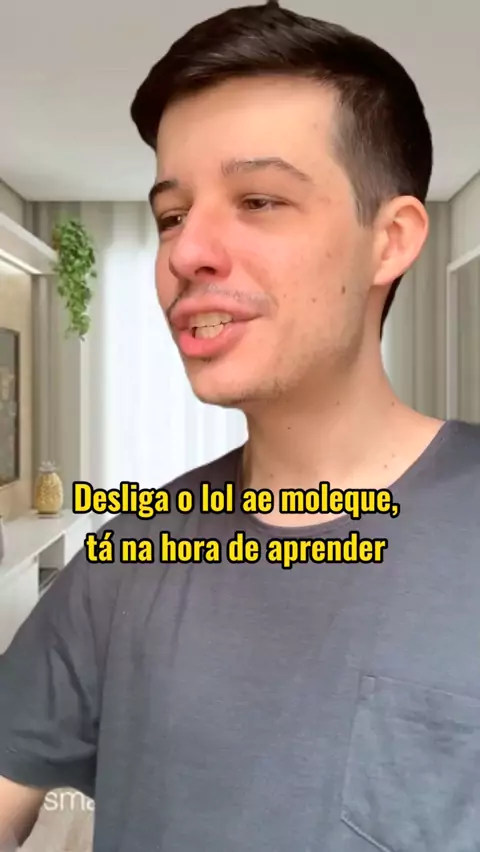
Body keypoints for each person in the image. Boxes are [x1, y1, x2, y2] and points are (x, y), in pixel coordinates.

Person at [1, 1, 479, 849]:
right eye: (171, 216)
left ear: (391, 240)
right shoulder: (127, 558)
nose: (186, 253)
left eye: (258, 199)